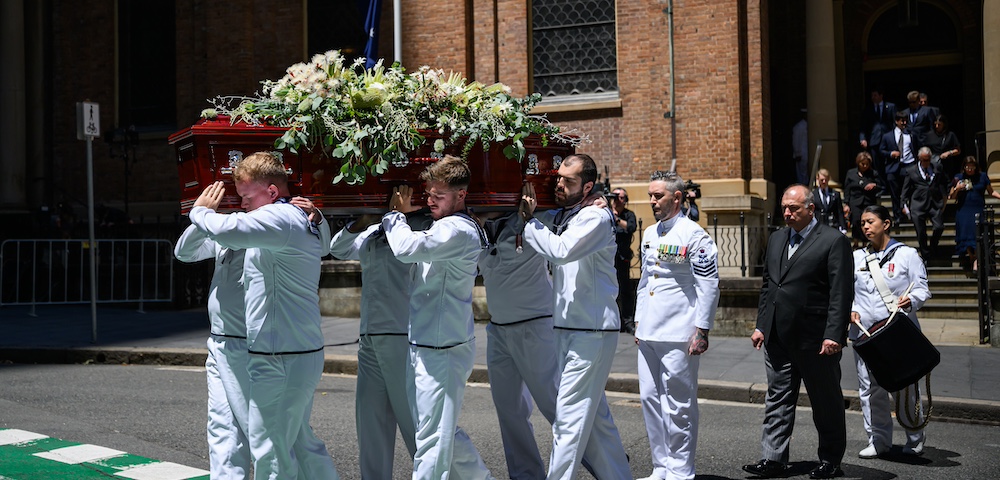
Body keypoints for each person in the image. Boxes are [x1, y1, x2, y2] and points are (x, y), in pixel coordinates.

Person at [188, 152, 338, 480]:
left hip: (282, 354)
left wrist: (199, 211)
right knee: (276, 444)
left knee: (274, 449)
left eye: (246, 196)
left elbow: (227, 230)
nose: (241, 203)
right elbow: (192, 249)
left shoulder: (279, 219)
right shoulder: (283, 219)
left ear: (271, 192)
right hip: (278, 351)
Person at [519, 153, 632, 480]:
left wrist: (528, 222)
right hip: (572, 328)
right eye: (558, 178)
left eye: (568, 181)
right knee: (597, 421)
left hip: (591, 331)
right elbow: (552, 218)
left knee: (568, 420)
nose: (559, 184)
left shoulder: (594, 219)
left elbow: (561, 250)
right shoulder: (573, 212)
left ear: (588, 186)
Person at [381, 155, 494, 480]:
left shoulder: (457, 230)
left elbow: (405, 249)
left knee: (432, 440)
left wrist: (395, 215)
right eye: (428, 193)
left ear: (461, 195)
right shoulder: (445, 225)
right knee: (440, 431)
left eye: (438, 195)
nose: (429, 200)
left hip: (443, 349)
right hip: (426, 343)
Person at [478, 210, 602, 480]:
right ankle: (525, 475)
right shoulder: (477, 226)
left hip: (534, 327)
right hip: (498, 329)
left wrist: (594, 201)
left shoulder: (534, 217)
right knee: (509, 409)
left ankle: (604, 464)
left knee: (558, 406)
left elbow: (569, 214)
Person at [743, 185, 852, 480]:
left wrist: (834, 334)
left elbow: (840, 293)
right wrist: (761, 325)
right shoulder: (778, 237)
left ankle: (830, 459)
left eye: (795, 209)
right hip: (778, 336)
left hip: (816, 339)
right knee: (777, 398)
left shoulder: (832, 241)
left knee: (825, 401)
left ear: (811, 209)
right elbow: (769, 286)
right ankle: (773, 459)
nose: (788, 214)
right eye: (785, 208)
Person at [329, 210, 432, 478]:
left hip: (402, 334)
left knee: (415, 425)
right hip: (370, 336)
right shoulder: (370, 230)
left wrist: (401, 214)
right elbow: (338, 249)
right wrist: (361, 220)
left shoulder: (419, 226)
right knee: (370, 425)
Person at [633, 171, 720, 480]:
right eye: (651, 195)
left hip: (679, 332)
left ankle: (681, 471)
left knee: (679, 404)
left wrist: (703, 330)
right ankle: (661, 466)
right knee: (650, 400)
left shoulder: (694, 235)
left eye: (658, 196)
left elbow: (708, 284)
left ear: (678, 198)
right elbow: (645, 282)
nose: (652, 201)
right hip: (650, 331)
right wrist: (639, 322)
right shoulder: (650, 234)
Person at [849, 205, 931, 459]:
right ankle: (878, 440)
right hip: (865, 334)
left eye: (870, 221)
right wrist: (849, 310)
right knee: (869, 388)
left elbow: (922, 289)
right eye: (862, 222)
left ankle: (915, 438)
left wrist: (912, 300)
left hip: (897, 332)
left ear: (886, 224)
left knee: (905, 386)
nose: (865, 226)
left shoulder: (907, 255)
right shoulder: (856, 257)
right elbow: (846, 292)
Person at [949, 156, 1000, 273]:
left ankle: (976, 259)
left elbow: (991, 192)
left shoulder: (982, 177)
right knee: (965, 233)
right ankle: (971, 256)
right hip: (963, 209)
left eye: (972, 167)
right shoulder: (959, 177)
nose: (969, 169)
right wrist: (957, 189)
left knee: (976, 233)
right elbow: (952, 196)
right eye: (967, 167)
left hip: (977, 208)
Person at [903, 147, 949, 260]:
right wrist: (903, 204)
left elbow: (944, 182)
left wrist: (945, 197)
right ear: (919, 159)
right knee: (921, 232)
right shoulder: (911, 171)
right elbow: (905, 189)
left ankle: (933, 245)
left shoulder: (937, 167)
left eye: (928, 160)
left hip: (934, 203)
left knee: (939, 227)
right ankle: (925, 254)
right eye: (924, 160)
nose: (926, 163)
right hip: (918, 205)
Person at [880, 111, 918, 223]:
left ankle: (910, 213)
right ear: (896, 121)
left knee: (909, 191)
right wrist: (891, 154)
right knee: (894, 193)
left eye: (906, 120)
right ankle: (897, 215)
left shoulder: (911, 135)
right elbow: (881, 150)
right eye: (902, 121)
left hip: (909, 166)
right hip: (893, 167)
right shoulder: (888, 136)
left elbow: (916, 148)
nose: (904, 123)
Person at [611, 187, 638, 332]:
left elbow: (631, 228)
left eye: (621, 197)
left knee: (625, 290)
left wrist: (617, 219)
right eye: (615, 196)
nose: (617, 200)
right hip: (608, 258)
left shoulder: (628, 215)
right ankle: (614, 320)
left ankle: (628, 320)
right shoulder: (605, 212)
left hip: (622, 257)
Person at [843, 152, 883, 247]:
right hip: (855, 201)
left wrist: (874, 185)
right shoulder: (851, 173)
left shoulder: (873, 174)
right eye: (862, 164)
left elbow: (881, 186)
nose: (865, 166)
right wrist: (846, 203)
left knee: (867, 222)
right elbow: (847, 189)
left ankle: (865, 242)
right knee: (856, 221)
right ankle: (856, 241)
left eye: (867, 164)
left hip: (868, 201)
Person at [859, 86, 896, 180]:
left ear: (881, 96)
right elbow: (863, 126)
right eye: (872, 96)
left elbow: (894, 123)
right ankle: (881, 185)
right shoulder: (868, 109)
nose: (873, 98)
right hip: (874, 140)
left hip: (888, 139)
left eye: (875, 95)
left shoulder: (890, 107)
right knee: (876, 163)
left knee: (889, 162)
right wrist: (863, 138)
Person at [812, 169, 847, 233]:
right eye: (822, 180)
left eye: (826, 180)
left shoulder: (835, 194)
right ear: (817, 179)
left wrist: (843, 227)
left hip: (832, 225)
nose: (824, 182)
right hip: (819, 226)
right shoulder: (813, 195)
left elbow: (840, 211)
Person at [792, 109, 809, 185]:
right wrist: (797, 153)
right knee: (802, 174)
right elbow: (796, 140)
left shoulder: (808, 125)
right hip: (802, 153)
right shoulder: (799, 126)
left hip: (807, 152)